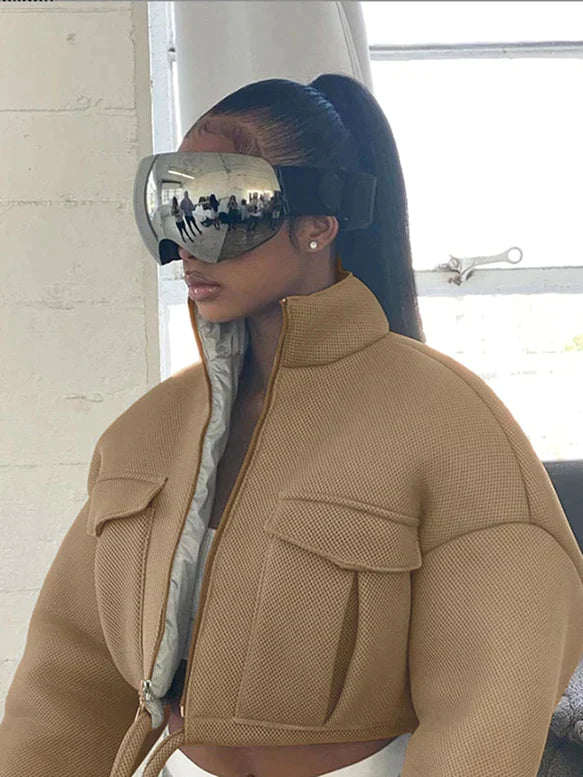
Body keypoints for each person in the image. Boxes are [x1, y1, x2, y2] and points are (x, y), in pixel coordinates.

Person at [1, 74, 583, 777]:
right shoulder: (144, 434)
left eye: (226, 208)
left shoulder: (449, 425)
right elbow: (68, 680)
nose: (192, 247)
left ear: (318, 223)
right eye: (176, 209)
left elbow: (492, 695)